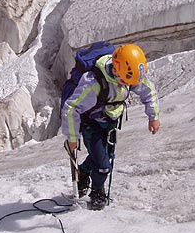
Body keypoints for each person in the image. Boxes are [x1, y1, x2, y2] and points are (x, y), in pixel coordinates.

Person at [61, 44, 160, 210]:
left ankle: (84, 172)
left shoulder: (128, 74)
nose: (127, 86)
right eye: (125, 82)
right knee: (103, 166)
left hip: (110, 122)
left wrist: (153, 116)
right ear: (115, 70)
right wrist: (72, 138)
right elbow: (71, 108)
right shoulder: (93, 83)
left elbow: (148, 91)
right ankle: (98, 191)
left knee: (105, 157)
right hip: (92, 124)